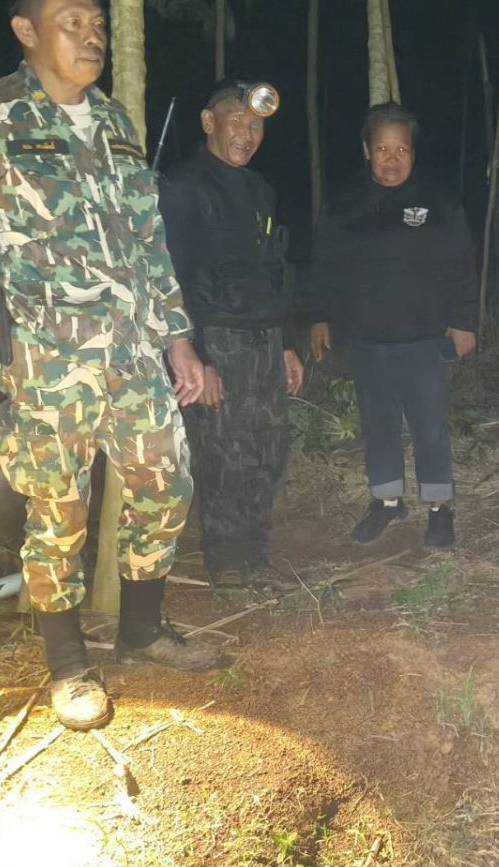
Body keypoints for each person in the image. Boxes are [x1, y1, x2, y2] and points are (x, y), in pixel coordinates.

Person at [0, 0, 223, 732]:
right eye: (72, 21)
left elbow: (148, 241)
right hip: (45, 355)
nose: (92, 35)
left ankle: (142, 630)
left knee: (167, 482)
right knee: (57, 508)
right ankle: (69, 666)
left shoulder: (114, 122)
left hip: (132, 349)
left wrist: (177, 338)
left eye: (97, 22)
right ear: (26, 30)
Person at [306, 103, 478, 548]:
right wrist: (319, 315)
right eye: (382, 149)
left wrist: (464, 321)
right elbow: (324, 264)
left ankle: (439, 509)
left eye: (401, 149)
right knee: (378, 425)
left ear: (413, 153)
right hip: (367, 339)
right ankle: (387, 501)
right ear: (367, 151)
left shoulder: (438, 201)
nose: (391, 159)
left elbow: (461, 263)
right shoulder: (344, 203)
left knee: (429, 426)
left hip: (425, 337)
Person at [160, 78, 303, 596]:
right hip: (215, 338)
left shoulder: (260, 189)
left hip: (265, 336)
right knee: (223, 453)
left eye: (256, 124)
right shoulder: (182, 185)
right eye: (236, 120)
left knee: (269, 449)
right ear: (208, 122)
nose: (247, 133)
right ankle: (226, 562)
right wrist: (197, 353)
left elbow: (276, 269)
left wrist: (287, 343)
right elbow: (176, 273)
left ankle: (255, 555)